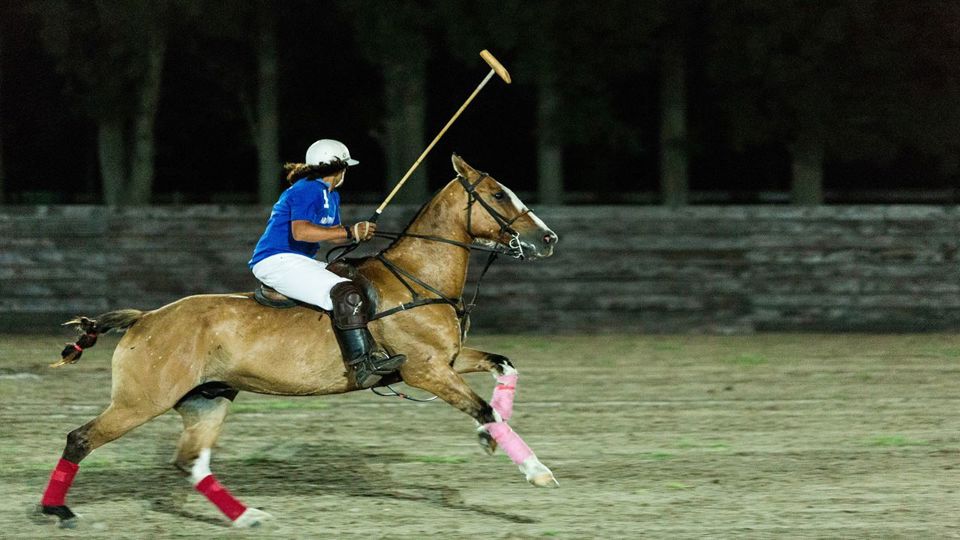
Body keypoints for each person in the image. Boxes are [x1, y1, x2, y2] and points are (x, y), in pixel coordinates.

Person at [249, 139, 405, 388]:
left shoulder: (331, 195)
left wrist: (357, 233)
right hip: (276, 260)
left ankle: (372, 350)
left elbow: (333, 234)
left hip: (298, 260)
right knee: (345, 292)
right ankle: (362, 364)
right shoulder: (306, 189)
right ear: (340, 168)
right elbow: (301, 232)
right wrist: (348, 231)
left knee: (354, 279)